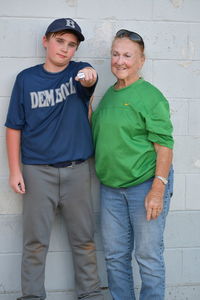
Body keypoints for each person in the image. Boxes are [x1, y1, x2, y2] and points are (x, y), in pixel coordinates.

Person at [5, 18, 104, 300]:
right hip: (37, 171)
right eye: (60, 41)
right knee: (35, 243)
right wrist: (15, 171)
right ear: (46, 41)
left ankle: (91, 294)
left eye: (71, 45)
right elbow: (14, 127)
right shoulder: (26, 79)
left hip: (77, 170)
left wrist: (90, 78)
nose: (65, 49)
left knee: (84, 239)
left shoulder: (79, 73)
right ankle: (33, 296)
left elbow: (90, 79)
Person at [92, 29, 174, 300]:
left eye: (128, 55)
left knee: (148, 256)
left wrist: (158, 189)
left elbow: (164, 146)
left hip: (145, 185)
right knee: (115, 257)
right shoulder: (109, 95)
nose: (120, 61)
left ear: (141, 60)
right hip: (111, 189)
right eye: (115, 54)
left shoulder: (150, 96)